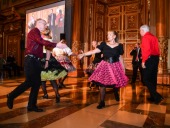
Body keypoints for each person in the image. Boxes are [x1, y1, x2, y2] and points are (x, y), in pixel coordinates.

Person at [7, 18, 57, 112]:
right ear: (38, 23)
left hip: (36, 61)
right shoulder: (34, 31)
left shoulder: (38, 33)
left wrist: (46, 61)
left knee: (37, 83)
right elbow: (41, 42)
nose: (46, 26)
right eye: (44, 24)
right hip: (30, 60)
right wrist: (57, 44)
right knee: (30, 82)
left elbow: (45, 47)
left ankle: (31, 105)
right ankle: (11, 95)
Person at [78, 30, 128, 109]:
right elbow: (94, 51)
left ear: (114, 36)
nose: (108, 36)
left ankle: (116, 92)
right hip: (105, 65)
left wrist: (123, 68)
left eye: (110, 35)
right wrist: (84, 54)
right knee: (102, 84)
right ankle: (102, 102)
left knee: (115, 82)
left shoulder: (119, 46)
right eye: (107, 34)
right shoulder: (103, 44)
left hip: (115, 65)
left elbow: (120, 57)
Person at [40, 27, 67, 103]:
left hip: (44, 59)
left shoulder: (44, 40)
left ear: (43, 33)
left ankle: (46, 94)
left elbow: (48, 51)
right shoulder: (50, 40)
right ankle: (57, 94)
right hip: (50, 59)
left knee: (43, 80)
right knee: (52, 79)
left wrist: (46, 61)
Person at [140, 24, 163, 104]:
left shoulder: (145, 37)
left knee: (145, 79)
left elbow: (146, 50)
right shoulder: (153, 36)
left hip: (149, 59)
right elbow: (157, 49)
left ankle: (157, 96)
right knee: (153, 78)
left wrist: (143, 61)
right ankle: (153, 97)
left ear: (143, 30)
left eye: (140, 31)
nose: (140, 33)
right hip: (155, 58)